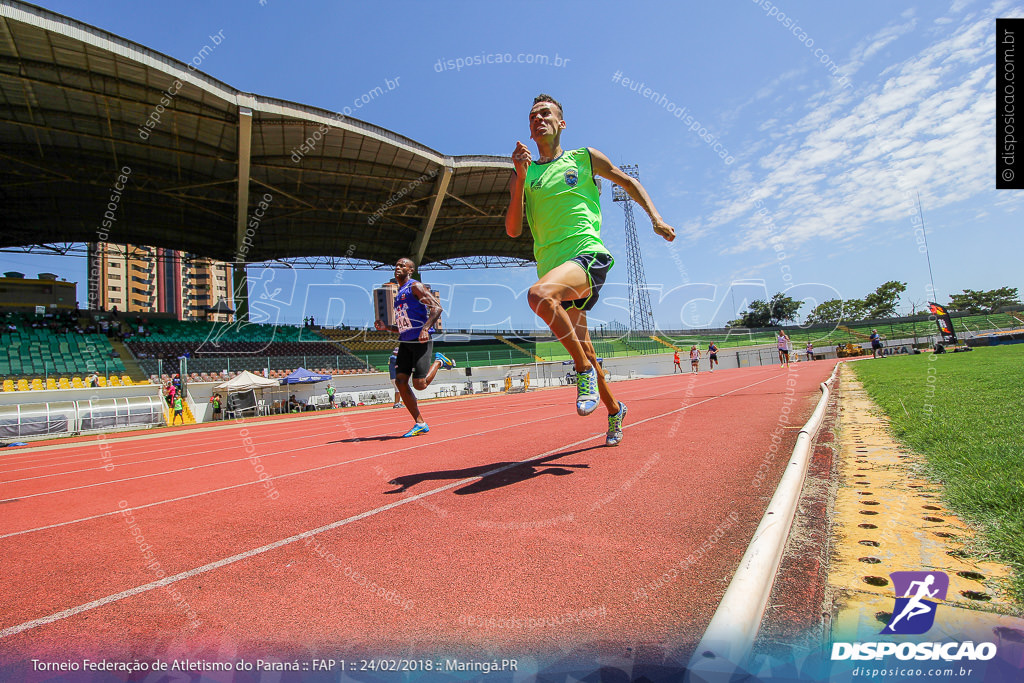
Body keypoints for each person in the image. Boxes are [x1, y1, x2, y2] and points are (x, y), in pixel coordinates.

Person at [505, 94, 675, 446]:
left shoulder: (583, 157)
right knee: (587, 348)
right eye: (533, 116)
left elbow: (627, 182)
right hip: (553, 268)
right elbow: (512, 229)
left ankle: (580, 371)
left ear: (561, 123)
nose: (539, 118)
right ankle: (615, 409)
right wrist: (520, 177)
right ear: (530, 130)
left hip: (586, 255)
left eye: (546, 113)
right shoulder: (525, 173)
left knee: (538, 296)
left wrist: (655, 219)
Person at [374, 257, 456, 437]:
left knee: (419, 385)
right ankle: (420, 423)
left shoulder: (415, 286)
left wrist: (425, 328)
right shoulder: (398, 295)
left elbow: (437, 308)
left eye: (402, 265)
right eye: (396, 265)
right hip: (405, 341)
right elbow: (404, 325)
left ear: (410, 270)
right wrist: (386, 327)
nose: (398, 267)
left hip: (421, 340)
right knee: (400, 382)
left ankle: (440, 362)